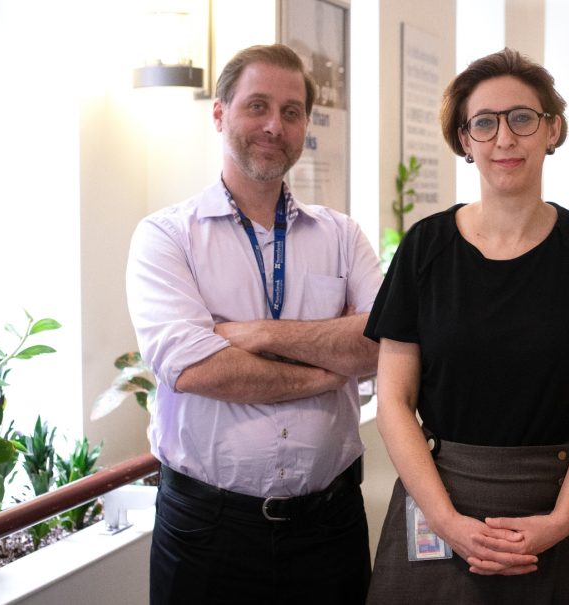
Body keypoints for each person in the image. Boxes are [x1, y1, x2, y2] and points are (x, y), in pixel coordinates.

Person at [363, 48, 569, 604]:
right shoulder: (425, 247)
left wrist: (561, 520)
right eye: (483, 123)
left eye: (522, 118)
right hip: (439, 502)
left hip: (555, 502)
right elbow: (394, 398)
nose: (504, 139)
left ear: (551, 130)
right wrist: (447, 522)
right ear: (464, 140)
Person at [125, 44, 382, 604]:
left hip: (330, 527)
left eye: (291, 112)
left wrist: (257, 335)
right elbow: (194, 368)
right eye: (257, 106)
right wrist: (326, 368)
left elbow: (383, 344)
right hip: (206, 533)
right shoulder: (167, 237)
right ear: (219, 114)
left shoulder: (342, 236)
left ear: (306, 125)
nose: (274, 125)